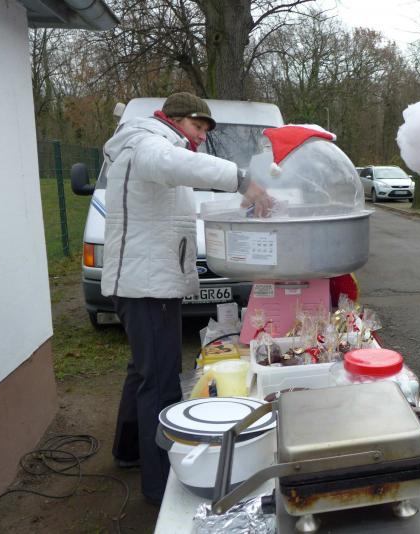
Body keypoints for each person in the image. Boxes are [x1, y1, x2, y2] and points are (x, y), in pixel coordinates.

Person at [101, 92, 272, 504]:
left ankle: (128, 451)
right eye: (197, 126)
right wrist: (242, 180)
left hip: (145, 283)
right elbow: (177, 164)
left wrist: (238, 206)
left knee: (142, 371)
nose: (200, 136)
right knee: (160, 383)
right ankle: (161, 486)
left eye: (205, 130)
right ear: (174, 119)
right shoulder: (148, 143)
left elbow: (174, 205)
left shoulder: (155, 147)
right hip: (148, 287)